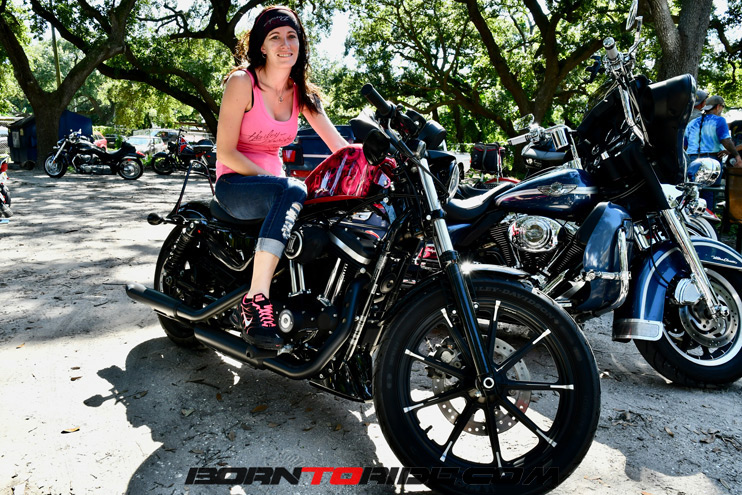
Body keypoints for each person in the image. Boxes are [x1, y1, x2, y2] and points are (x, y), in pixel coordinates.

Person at [215, 5, 347, 349]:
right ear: (262, 46)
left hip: (277, 189)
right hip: (234, 184)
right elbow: (225, 152)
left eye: (292, 36)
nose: (285, 44)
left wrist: (382, 159)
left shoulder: (300, 91)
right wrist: (280, 184)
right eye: (275, 37)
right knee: (293, 188)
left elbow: (341, 148)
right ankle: (255, 299)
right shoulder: (242, 83)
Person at [684, 95, 742, 208]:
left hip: (692, 160)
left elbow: (685, 145)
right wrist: (737, 156)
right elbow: (725, 140)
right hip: (711, 161)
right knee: (709, 192)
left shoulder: (692, 123)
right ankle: (707, 217)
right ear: (718, 106)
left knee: (693, 191)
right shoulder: (719, 120)